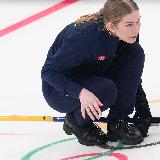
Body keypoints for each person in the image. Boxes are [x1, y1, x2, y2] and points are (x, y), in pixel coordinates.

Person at [41, 0, 152, 146]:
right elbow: (49, 72)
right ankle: (76, 122)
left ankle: (117, 121)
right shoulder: (83, 37)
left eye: (138, 22)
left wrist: (142, 106)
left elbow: (129, 72)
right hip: (59, 88)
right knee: (106, 90)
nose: (136, 29)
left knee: (135, 53)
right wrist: (81, 93)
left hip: (95, 73)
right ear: (111, 25)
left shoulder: (126, 33)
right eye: (130, 24)